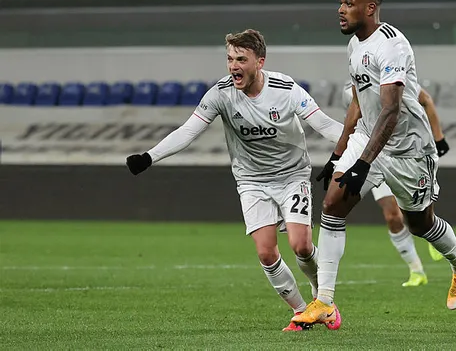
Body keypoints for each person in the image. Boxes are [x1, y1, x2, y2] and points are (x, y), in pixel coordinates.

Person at [125, 29, 346, 332]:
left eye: (241, 59)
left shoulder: (285, 89)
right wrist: (149, 157)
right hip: (252, 181)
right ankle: (300, 313)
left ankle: (323, 302)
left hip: (292, 176)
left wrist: (359, 146)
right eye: (230, 59)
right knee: (266, 253)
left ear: (260, 62)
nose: (233, 66)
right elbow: (188, 130)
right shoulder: (221, 93)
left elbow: (323, 123)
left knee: (301, 246)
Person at [293, 0, 456, 328]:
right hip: (369, 137)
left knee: (419, 223)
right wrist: (338, 153)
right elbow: (358, 103)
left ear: (370, 8)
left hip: (408, 149)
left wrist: (364, 163)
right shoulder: (354, 45)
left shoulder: (392, 45)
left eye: (349, 3)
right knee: (332, 205)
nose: (340, 9)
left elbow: (391, 110)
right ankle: (325, 302)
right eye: (340, 2)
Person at [336, 82, 449, 288]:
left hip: (401, 155)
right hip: (373, 158)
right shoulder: (350, 90)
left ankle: (432, 231)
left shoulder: (394, 80)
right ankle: (416, 271)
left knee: (416, 216)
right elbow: (352, 122)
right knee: (392, 216)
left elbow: (426, 100)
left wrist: (439, 138)